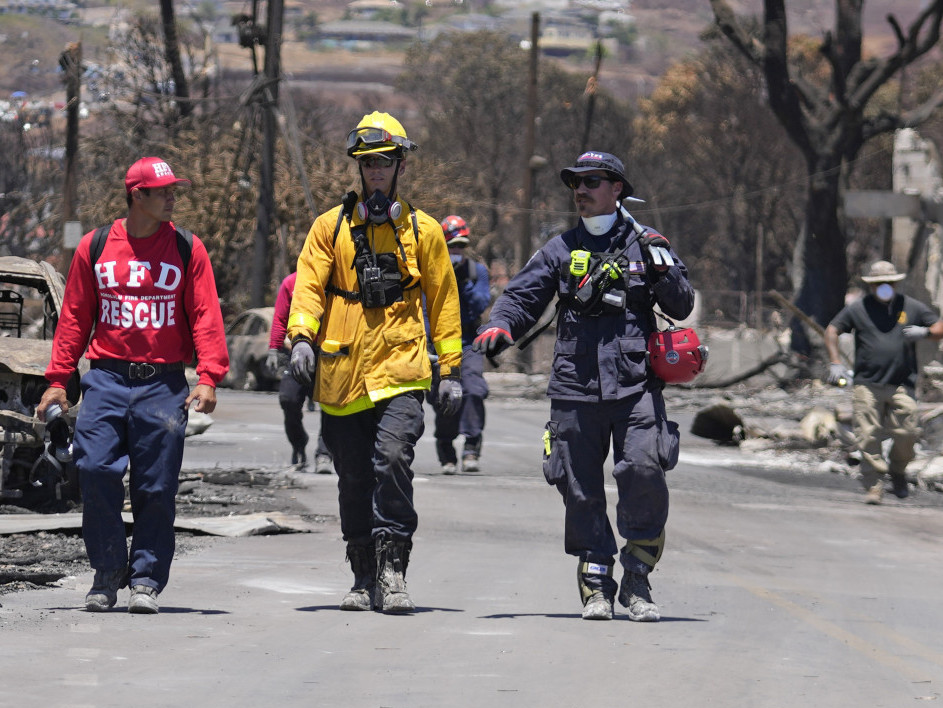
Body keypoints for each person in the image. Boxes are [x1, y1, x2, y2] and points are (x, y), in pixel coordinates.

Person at [473, 150, 695, 622]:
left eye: (592, 181)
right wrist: (502, 325)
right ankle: (596, 581)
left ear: (617, 189)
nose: (581, 190)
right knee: (578, 486)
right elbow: (522, 295)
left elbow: (680, 305)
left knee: (643, 467)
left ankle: (637, 575)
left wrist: (662, 266)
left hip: (636, 385)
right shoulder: (560, 248)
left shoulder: (647, 244)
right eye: (576, 182)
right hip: (575, 387)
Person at [285, 111, 463, 614]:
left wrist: (449, 370)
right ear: (358, 169)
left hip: (402, 370)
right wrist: (300, 337)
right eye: (368, 164)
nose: (376, 171)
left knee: (391, 461)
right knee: (354, 479)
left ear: (400, 165)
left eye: (384, 162)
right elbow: (309, 286)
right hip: (342, 377)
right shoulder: (329, 228)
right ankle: (363, 575)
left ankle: (394, 571)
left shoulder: (423, 231)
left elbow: (444, 301)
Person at [36, 156, 229, 614]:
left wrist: (209, 377)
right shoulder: (95, 246)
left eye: (172, 190)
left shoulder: (186, 248)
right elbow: (75, 319)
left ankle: (145, 579)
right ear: (136, 195)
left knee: (156, 487)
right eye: (162, 191)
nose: (171, 198)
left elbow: (205, 314)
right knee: (95, 469)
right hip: (105, 379)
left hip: (162, 384)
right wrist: (58, 381)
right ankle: (107, 572)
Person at [825, 260, 943, 504]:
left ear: (895, 284)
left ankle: (897, 471)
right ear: (871, 286)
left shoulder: (910, 306)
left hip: (902, 383)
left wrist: (926, 333)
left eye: (888, 283)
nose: (884, 287)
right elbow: (832, 330)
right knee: (868, 435)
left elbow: (939, 326)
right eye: (879, 284)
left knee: (907, 432)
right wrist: (836, 362)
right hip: (867, 383)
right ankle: (874, 485)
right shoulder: (860, 308)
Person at [428, 215, 491, 474]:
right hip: (437, 346)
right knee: (443, 397)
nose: (456, 251)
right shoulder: (429, 270)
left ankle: (472, 448)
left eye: (460, 246)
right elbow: (421, 309)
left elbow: (480, 304)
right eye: (451, 246)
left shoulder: (478, 272)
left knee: (474, 390)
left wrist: (462, 282)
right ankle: (446, 450)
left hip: (467, 342)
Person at [266, 271, 333, 473]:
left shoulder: (338, 279)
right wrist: (274, 348)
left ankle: (324, 454)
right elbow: (280, 317)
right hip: (298, 349)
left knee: (331, 405)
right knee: (289, 399)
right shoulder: (291, 283)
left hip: (330, 352)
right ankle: (299, 442)